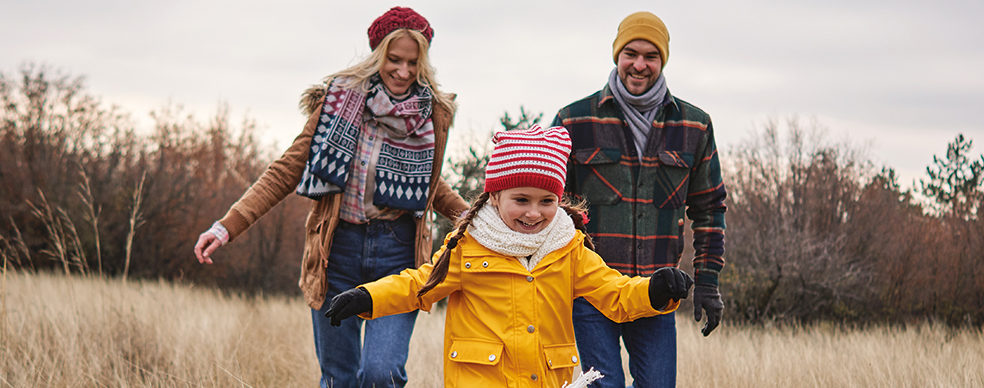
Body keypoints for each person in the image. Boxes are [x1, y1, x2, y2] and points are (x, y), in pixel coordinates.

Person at [192, 7, 469, 388]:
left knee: (380, 373)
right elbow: (285, 170)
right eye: (394, 59)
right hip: (335, 251)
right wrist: (226, 227)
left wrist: (479, 219)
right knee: (340, 378)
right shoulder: (338, 102)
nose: (403, 71)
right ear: (378, 54)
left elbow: (430, 184)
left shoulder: (431, 113)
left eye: (412, 62)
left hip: (398, 255)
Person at [323, 125, 694, 388]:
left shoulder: (569, 248)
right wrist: (367, 296)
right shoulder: (467, 245)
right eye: (521, 200)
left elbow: (615, 294)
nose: (534, 213)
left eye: (546, 201)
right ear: (495, 197)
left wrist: (655, 292)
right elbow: (419, 284)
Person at [551, 11, 728, 388]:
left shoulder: (694, 126)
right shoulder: (573, 122)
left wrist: (708, 283)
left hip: (657, 293)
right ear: (617, 55)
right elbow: (546, 205)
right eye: (631, 53)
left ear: (662, 60)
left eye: (651, 56)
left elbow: (710, 209)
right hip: (591, 293)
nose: (639, 64)